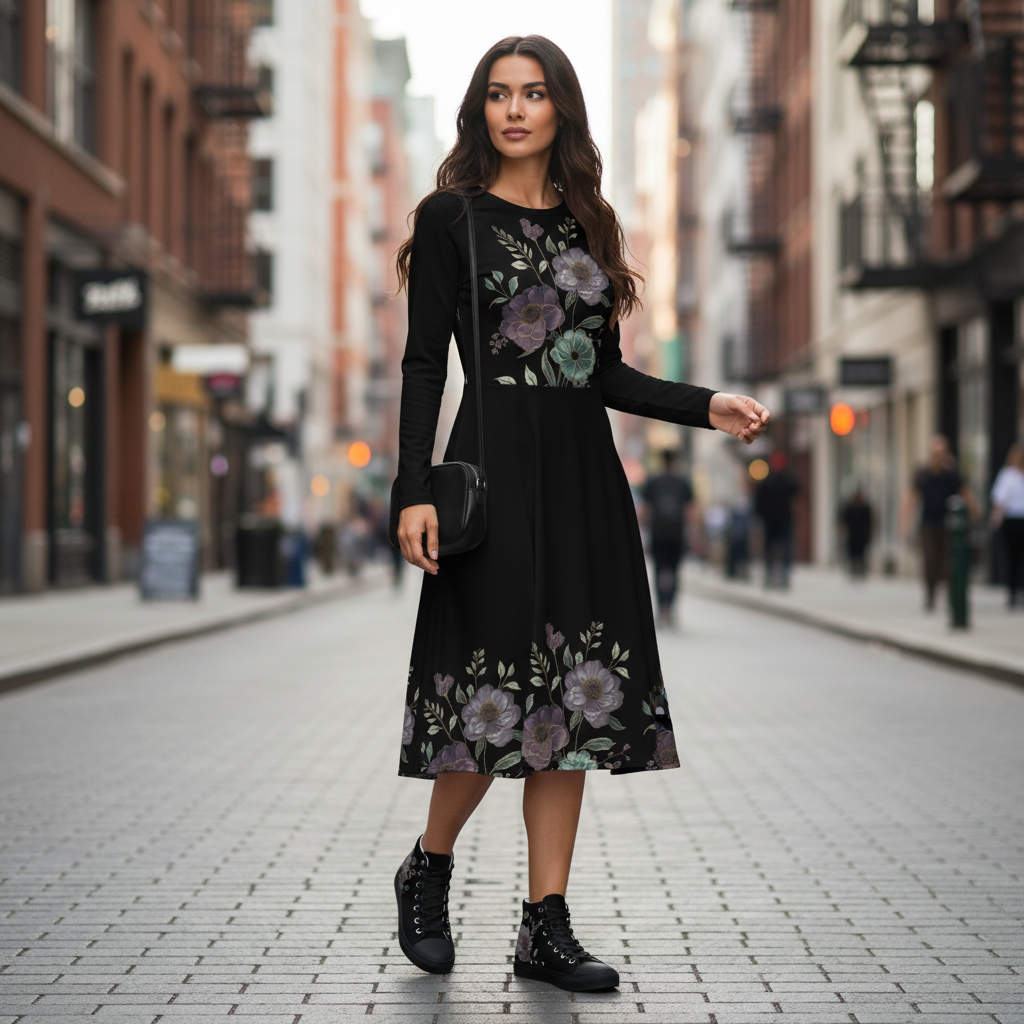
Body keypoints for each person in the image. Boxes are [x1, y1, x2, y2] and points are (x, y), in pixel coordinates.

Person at [391, 35, 770, 992]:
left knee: (570, 700)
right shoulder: (451, 220)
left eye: (533, 93)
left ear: (561, 108)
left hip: (583, 482)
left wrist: (705, 403)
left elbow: (599, 373)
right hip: (491, 474)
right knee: (490, 697)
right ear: (479, 111)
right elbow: (425, 363)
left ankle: (543, 925)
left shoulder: (587, 226)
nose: (514, 110)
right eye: (497, 94)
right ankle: (428, 866)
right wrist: (413, 490)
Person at [904, 435, 976, 611]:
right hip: (928, 524)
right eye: (936, 453)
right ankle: (930, 596)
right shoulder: (923, 473)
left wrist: (975, 513)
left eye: (942, 453)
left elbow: (965, 493)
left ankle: (953, 598)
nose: (939, 456)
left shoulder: (952, 473)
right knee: (930, 560)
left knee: (948, 563)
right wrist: (905, 523)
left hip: (949, 524)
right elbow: (912, 498)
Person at [641, 449, 694, 627]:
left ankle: (661, 609)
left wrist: (642, 530)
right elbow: (690, 511)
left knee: (658, 571)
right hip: (677, 534)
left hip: (657, 534)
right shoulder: (682, 482)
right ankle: (671, 609)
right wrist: (694, 534)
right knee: (674, 571)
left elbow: (645, 510)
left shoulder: (653, 482)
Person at [754, 451, 799, 588]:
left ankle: (771, 576)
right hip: (783, 519)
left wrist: (760, 516)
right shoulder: (787, 480)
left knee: (771, 549)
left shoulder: (767, 482)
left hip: (772, 520)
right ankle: (781, 577)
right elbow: (797, 494)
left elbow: (758, 503)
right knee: (784, 548)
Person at [990, 441, 1024, 607]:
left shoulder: (1007, 475)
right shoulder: (1010, 475)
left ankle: (1012, 593)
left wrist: (995, 519)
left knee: (1011, 558)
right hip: (1019, 520)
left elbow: (1000, 501)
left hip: (1011, 521)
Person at [839, 487, 873, 578]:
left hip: (861, 536)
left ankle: (861, 570)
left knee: (861, 554)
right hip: (853, 535)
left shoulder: (865, 508)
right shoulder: (850, 508)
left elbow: (869, 523)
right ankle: (854, 570)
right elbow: (844, 521)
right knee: (852, 554)